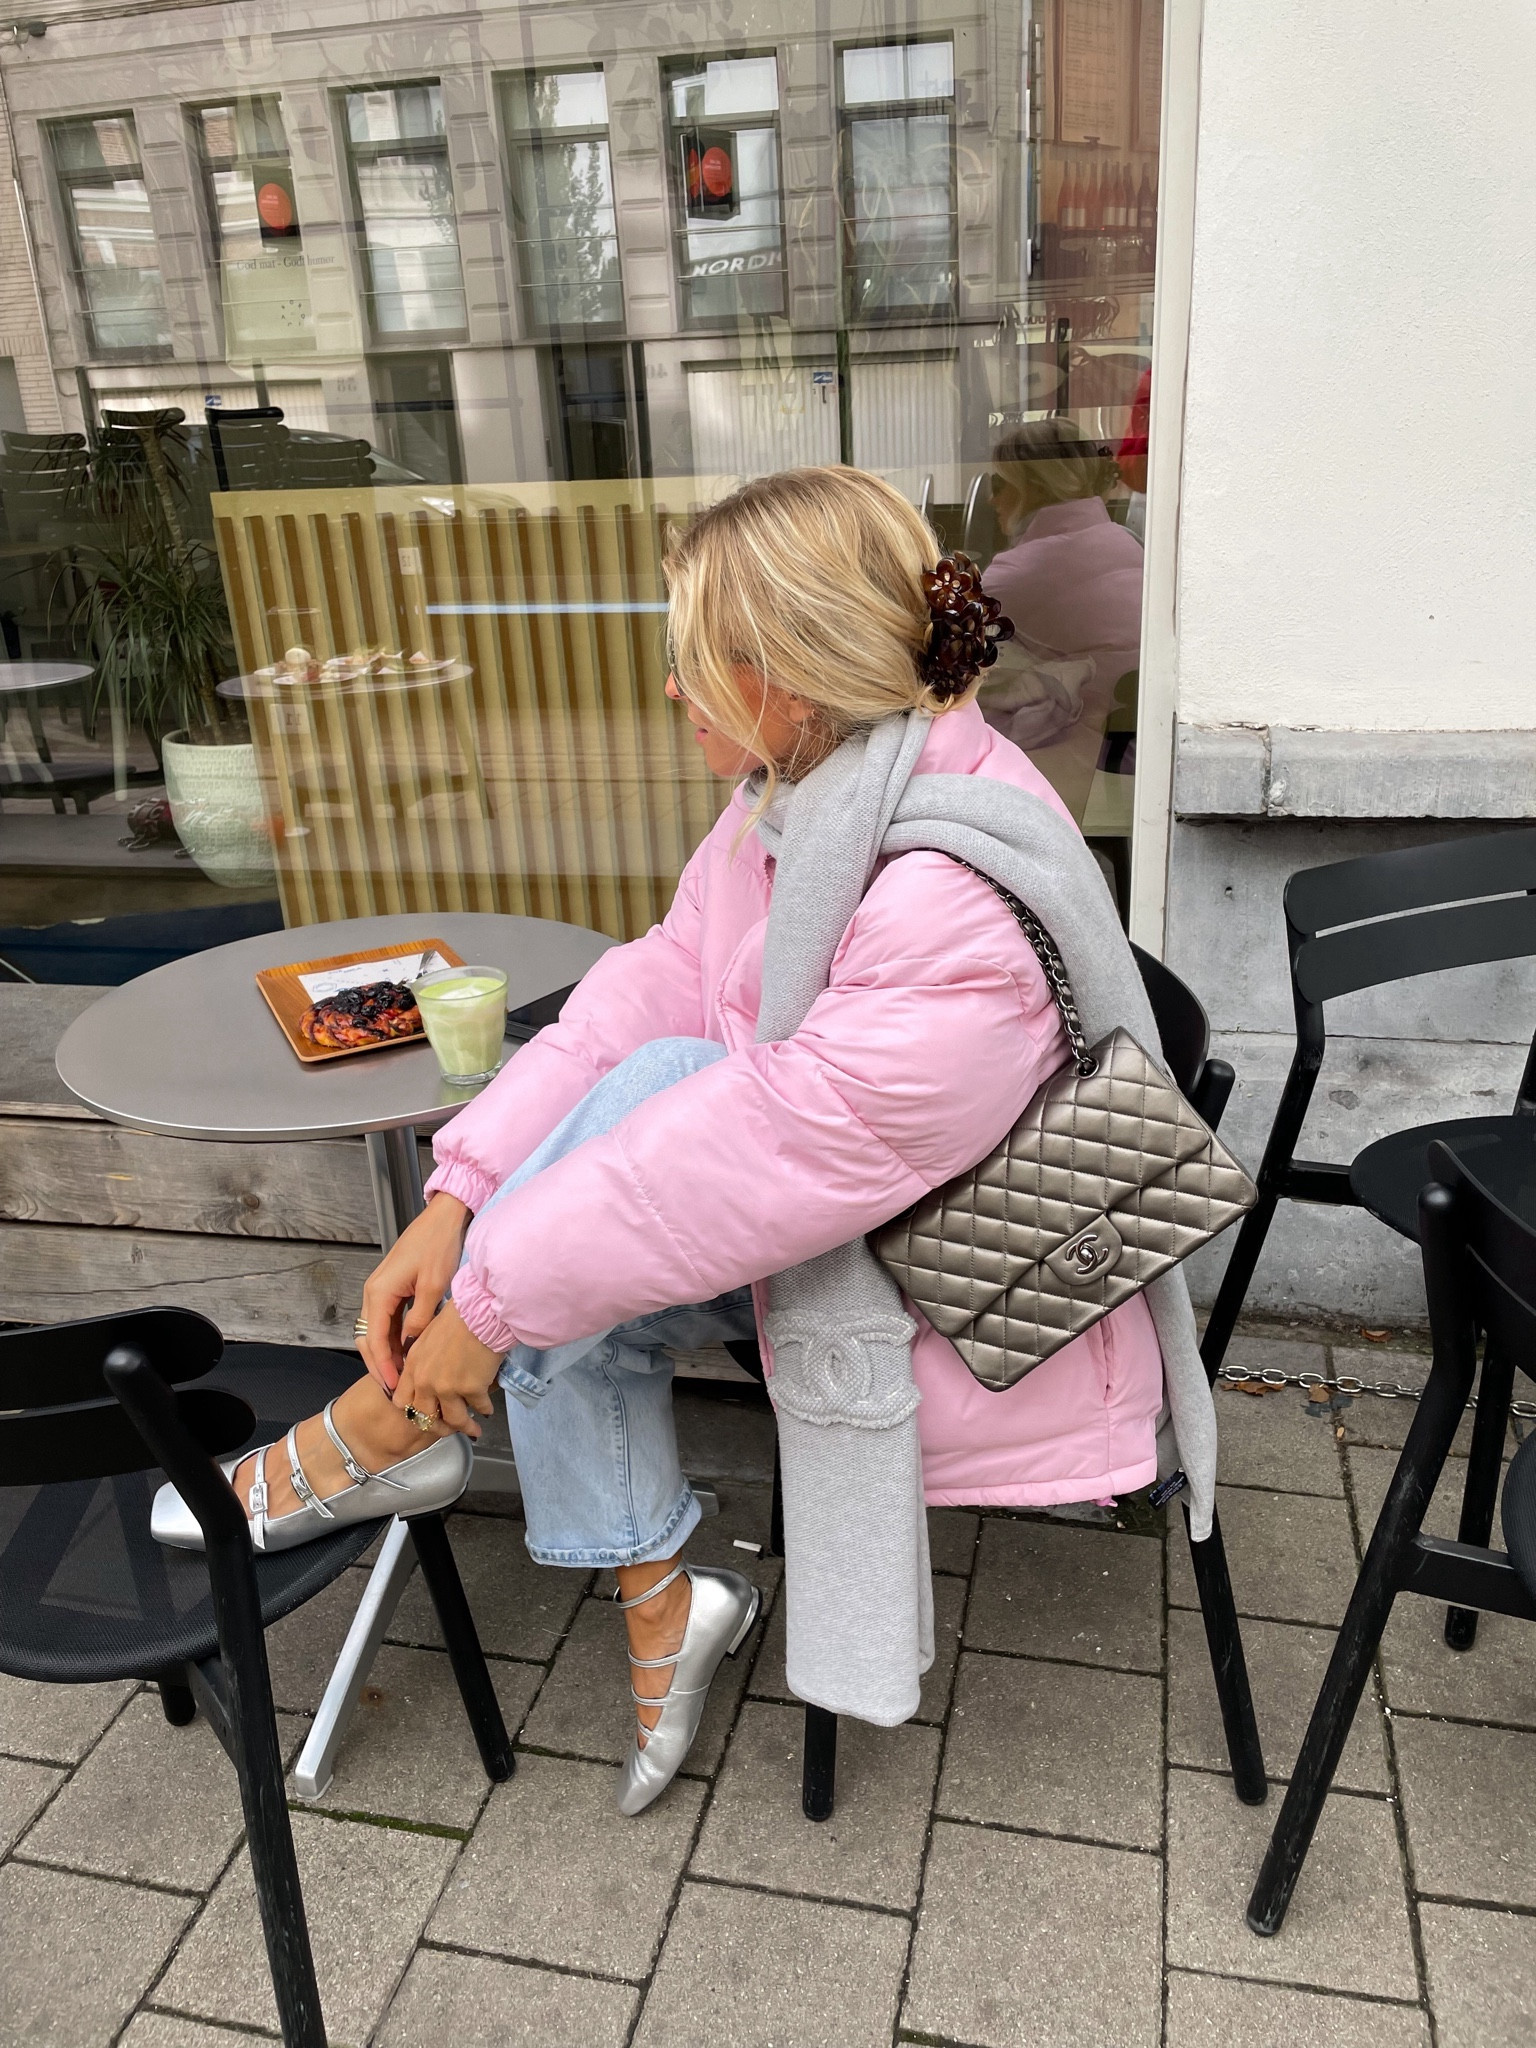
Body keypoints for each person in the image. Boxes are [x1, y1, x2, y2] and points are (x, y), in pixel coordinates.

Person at [153, 466, 1166, 1814]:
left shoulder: (949, 903)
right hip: (850, 1225)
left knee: (618, 1193)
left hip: (979, 1298)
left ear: (786, 679)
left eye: (690, 665)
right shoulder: (808, 790)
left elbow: (760, 1141)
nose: (672, 695)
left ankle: (403, 1442)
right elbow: (657, 977)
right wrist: (460, 1199)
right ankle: (644, 1582)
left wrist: (493, 1299)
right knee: (611, 1175)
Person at [977, 417, 1145, 822]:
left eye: (996, 485)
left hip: (1090, 760)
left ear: (1030, 486)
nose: (991, 500)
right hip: (1139, 747)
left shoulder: (1017, 573)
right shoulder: (1126, 541)